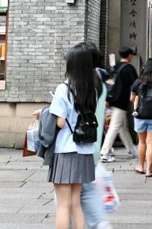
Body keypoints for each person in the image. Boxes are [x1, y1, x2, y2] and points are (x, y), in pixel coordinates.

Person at [50, 44, 102, 229]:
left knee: (63, 205)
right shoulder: (92, 90)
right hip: (84, 150)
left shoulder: (63, 89)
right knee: (75, 204)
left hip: (65, 150)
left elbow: (60, 122)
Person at [81, 42, 111, 229]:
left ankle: (100, 223)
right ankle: (101, 223)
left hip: (78, 150)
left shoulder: (84, 85)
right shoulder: (99, 83)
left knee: (68, 199)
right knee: (87, 191)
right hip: (93, 148)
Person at [100, 47, 137, 163]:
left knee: (122, 127)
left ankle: (131, 150)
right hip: (121, 102)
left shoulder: (114, 67)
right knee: (115, 127)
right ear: (130, 55)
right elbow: (136, 84)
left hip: (111, 100)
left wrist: (107, 99)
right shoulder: (129, 68)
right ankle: (104, 153)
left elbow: (108, 84)